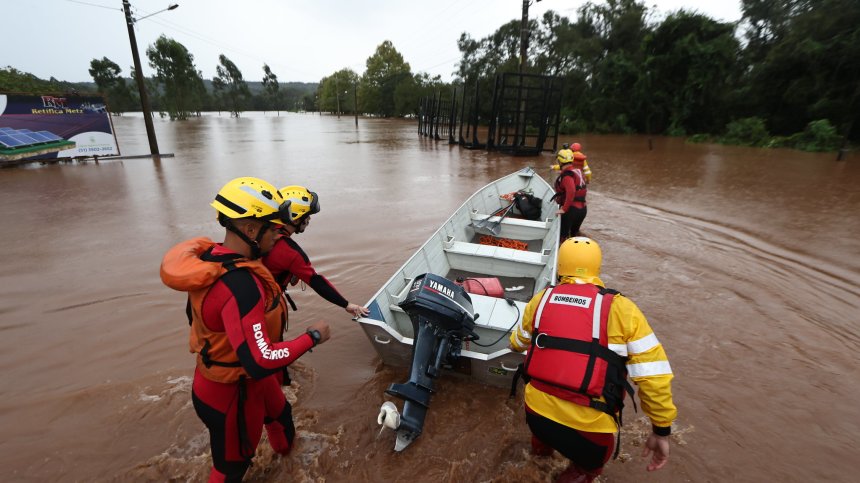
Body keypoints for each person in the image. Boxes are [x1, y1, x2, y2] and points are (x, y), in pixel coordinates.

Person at [160, 177, 331, 482]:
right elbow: (260, 359)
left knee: (282, 417)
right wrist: (313, 336)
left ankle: (288, 470)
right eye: (272, 228)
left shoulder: (213, 259)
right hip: (231, 393)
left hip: (243, 381)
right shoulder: (240, 285)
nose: (279, 235)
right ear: (251, 230)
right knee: (232, 468)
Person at [509, 237, 677, 482]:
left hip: (537, 415)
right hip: (589, 430)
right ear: (597, 268)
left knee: (540, 450)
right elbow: (653, 376)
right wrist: (661, 430)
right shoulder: (622, 309)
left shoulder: (541, 299)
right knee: (585, 470)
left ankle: (537, 464)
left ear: (560, 266)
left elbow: (517, 342)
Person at [263, 185, 369, 318]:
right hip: (266, 307)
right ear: (295, 219)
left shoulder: (262, 234)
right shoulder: (291, 252)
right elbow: (316, 281)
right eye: (307, 216)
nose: (309, 219)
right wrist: (346, 304)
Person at [552, 152, 588, 240]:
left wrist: (564, 209)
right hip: (582, 210)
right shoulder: (578, 171)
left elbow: (571, 192)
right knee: (574, 237)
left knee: (562, 238)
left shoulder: (567, 176)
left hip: (571, 211)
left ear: (560, 161)